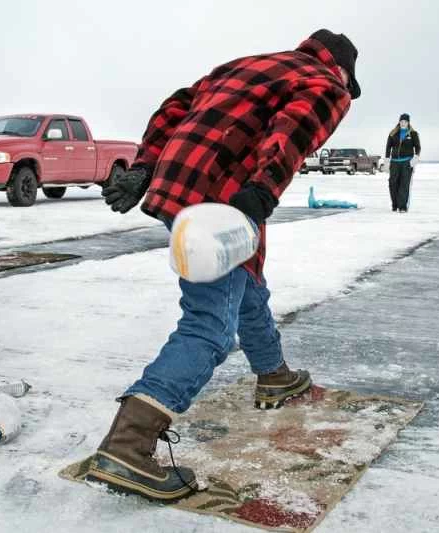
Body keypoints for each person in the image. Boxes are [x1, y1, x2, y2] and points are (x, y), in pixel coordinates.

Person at [89, 29, 360, 502]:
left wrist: (145, 167)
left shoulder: (245, 64)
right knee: (209, 324)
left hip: (181, 181)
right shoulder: (325, 83)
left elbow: (173, 107)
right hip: (224, 195)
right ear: (341, 69)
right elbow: (293, 130)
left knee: (246, 281)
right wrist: (264, 187)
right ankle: (128, 445)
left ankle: (274, 373)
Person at [385, 113, 421, 212]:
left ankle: (402, 206)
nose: (403, 123)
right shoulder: (393, 133)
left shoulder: (413, 134)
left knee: (404, 184)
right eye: (401, 121)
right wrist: (387, 160)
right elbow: (388, 147)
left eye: (405, 121)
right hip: (394, 162)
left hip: (407, 162)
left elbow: (418, 147)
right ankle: (395, 204)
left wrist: (415, 158)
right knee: (392, 183)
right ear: (399, 122)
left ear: (408, 122)